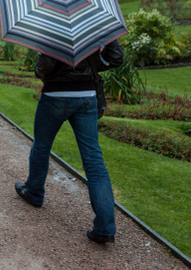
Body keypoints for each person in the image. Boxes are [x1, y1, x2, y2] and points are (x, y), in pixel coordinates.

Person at [15, 40, 124, 244]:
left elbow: (42, 70)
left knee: (42, 146)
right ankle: (105, 227)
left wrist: (42, 63)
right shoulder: (92, 25)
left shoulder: (53, 27)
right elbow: (115, 58)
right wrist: (107, 39)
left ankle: (34, 193)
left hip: (55, 96)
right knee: (93, 160)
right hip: (86, 97)